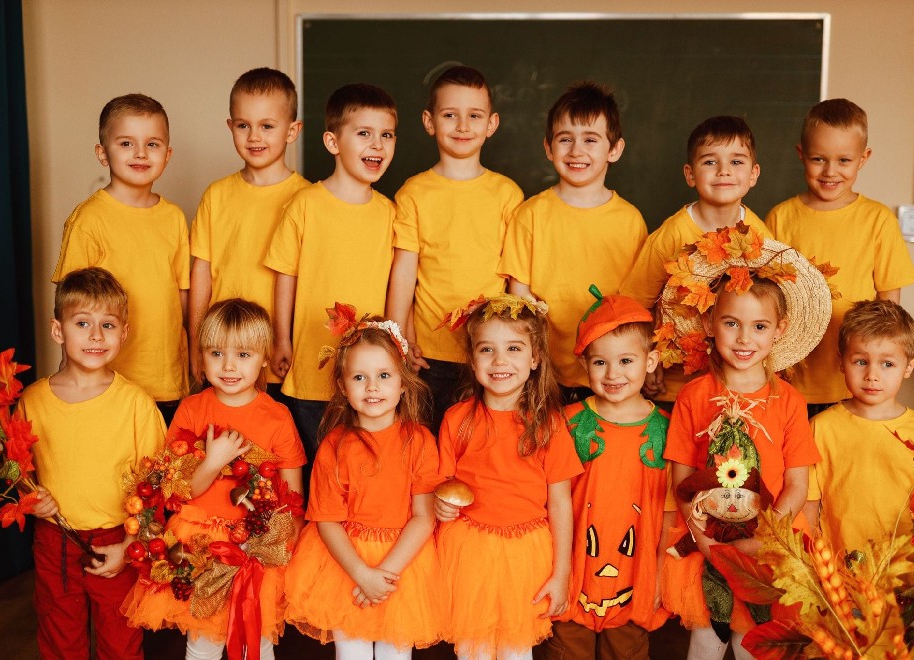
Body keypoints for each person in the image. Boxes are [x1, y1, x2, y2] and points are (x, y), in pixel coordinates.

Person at [658, 224, 828, 658]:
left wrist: (765, 538)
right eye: (731, 323)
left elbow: (797, 484)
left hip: (770, 542)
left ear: (779, 330)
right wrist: (705, 541)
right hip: (708, 541)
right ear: (710, 323)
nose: (744, 338)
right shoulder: (694, 395)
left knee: (755, 643)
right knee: (706, 640)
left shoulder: (789, 401)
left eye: (759, 326)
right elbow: (682, 480)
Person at [121, 298, 306, 660]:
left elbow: (292, 501)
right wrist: (213, 461)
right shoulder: (192, 410)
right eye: (216, 353)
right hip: (199, 544)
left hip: (256, 547)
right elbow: (179, 492)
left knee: (257, 639)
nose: (228, 366)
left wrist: (273, 549)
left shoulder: (278, 417)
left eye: (243, 354)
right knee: (203, 642)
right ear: (202, 355)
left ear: (265, 357)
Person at [20, 267, 165, 660]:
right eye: (82, 323)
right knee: (60, 637)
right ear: (58, 330)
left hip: (118, 539)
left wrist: (130, 546)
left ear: (124, 333)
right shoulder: (32, 402)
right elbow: (19, 474)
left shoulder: (136, 404)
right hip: (54, 541)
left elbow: (155, 486)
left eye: (108, 325)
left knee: (121, 642)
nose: (96, 336)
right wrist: (30, 499)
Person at [284, 305, 443, 659]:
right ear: (343, 386)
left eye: (384, 375)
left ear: (403, 382)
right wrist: (362, 575)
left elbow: (424, 516)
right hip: (346, 565)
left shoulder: (420, 442)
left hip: (402, 565)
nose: (372, 387)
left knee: (394, 655)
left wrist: (383, 575)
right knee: (351, 654)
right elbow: (326, 520)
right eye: (359, 377)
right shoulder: (335, 445)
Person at [436, 294, 583, 659]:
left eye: (514, 348)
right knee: (472, 647)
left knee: (516, 650)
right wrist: (442, 507)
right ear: (472, 360)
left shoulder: (549, 425)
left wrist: (561, 573)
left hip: (526, 553)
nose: (499, 361)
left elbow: (560, 502)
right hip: (469, 550)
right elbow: (440, 486)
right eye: (487, 349)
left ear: (535, 358)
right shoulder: (457, 419)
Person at [265, 83, 397, 485]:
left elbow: (397, 286)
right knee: (315, 476)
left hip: (369, 377)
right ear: (332, 142)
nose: (377, 144)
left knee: (359, 475)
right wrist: (281, 338)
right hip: (310, 372)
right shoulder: (305, 204)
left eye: (387, 135)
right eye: (364, 133)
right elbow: (285, 276)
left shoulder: (390, 213)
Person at [386, 65, 523, 432]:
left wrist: (514, 345)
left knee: (482, 446)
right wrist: (399, 338)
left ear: (491, 124)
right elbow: (404, 273)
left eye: (474, 116)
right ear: (429, 122)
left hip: (491, 353)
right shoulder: (414, 193)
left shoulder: (507, 194)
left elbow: (515, 278)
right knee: (426, 444)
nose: (463, 126)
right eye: (450, 115)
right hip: (428, 355)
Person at [537, 288, 672, 659]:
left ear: (651, 361)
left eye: (626, 360)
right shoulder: (567, 424)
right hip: (572, 572)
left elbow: (672, 515)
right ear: (585, 365)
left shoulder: (666, 431)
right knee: (566, 651)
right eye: (600, 362)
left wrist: (660, 574)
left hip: (635, 575)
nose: (613, 374)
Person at [765, 99, 914, 415]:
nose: (830, 171)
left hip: (856, 382)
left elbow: (889, 312)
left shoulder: (879, 220)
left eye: (844, 160)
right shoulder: (781, 218)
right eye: (818, 159)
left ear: (864, 158)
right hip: (789, 379)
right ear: (801, 154)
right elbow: (765, 298)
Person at [499, 82, 646, 403]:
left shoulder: (630, 220)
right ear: (548, 148)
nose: (576, 151)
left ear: (614, 149)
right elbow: (519, 298)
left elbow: (639, 302)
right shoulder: (530, 215)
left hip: (613, 375)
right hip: (545, 375)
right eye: (565, 139)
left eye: (590, 140)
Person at [52, 93, 189, 425]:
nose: (140, 153)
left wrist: (193, 355)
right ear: (103, 153)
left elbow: (182, 293)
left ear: (167, 154)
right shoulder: (89, 220)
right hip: (107, 379)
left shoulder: (173, 217)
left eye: (152, 144)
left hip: (166, 379)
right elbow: (69, 303)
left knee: (164, 458)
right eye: (126, 143)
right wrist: (71, 373)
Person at [620, 115, 770, 405]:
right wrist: (646, 358)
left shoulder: (758, 236)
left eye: (736, 162)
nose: (724, 171)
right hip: (675, 383)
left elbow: (769, 307)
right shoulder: (671, 235)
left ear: (753, 174)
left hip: (734, 383)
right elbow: (636, 303)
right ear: (690, 174)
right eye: (710, 162)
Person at [188, 68, 309, 395]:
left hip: (279, 357)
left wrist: (284, 340)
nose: (254, 137)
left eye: (267, 126)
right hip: (222, 356)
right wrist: (196, 343)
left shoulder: (307, 198)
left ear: (292, 131)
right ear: (231, 127)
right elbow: (201, 274)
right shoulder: (216, 195)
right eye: (243, 126)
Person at [803, 300, 914, 554]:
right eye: (860, 362)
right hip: (838, 569)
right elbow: (809, 505)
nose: (872, 375)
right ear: (841, 362)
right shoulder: (820, 428)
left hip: (907, 572)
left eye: (887, 364)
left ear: (909, 366)